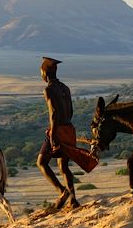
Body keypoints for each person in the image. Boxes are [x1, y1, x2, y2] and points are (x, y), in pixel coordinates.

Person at [37, 57, 98, 209]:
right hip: (69, 127)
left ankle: (62, 191)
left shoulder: (48, 90)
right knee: (64, 167)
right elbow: (70, 111)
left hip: (57, 129)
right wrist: (66, 127)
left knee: (41, 163)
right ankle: (73, 200)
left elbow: (53, 112)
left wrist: (53, 133)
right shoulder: (65, 88)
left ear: (45, 72)